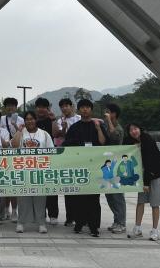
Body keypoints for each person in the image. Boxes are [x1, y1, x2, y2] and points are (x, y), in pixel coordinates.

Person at [63, 99, 108, 237]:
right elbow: (67, 145)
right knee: (79, 197)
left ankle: (94, 226)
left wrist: (99, 128)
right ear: (79, 110)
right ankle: (79, 223)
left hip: (95, 167)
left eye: (87, 107)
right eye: (82, 108)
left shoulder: (98, 125)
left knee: (94, 198)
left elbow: (103, 142)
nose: (85, 110)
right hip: (80, 167)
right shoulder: (75, 127)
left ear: (91, 109)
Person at [11, 111, 54, 233]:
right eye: (27, 119)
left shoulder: (44, 134)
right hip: (23, 170)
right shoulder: (21, 133)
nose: (29, 121)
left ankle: (41, 223)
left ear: (36, 120)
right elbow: (13, 145)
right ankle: (21, 222)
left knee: (40, 198)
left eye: (32, 119)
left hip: (40, 171)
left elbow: (51, 151)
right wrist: (19, 131)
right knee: (23, 198)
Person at [124, 123, 160, 241]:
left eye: (135, 129)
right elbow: (123, 147)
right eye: (131, 130)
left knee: (155, 203)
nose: (134, 131)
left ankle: (155, 231)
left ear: (140, 129)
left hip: (155, 174)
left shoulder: (147, 139)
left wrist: (147, 183)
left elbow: (150, 162)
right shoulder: (133, 141)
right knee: (141, 202)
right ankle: (137, 229)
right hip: (143, 176)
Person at [52, 98, 81, 226]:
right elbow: (58, 135)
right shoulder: (60, 120)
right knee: (68, 188)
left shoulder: (79, 118)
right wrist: (63, 129)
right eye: (62, 106)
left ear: (71, 106)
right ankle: (70, 217)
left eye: (66, 106)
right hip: (65, 157)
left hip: (79, 156)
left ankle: (82, 217)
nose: (64, 108)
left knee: (80, 189)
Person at [103, 103, 127, 234]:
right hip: (107, 165)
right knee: (109, 195)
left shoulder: (118, 128)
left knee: (117, 195)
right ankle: (116, 220)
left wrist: (108, 122)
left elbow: (114, 136)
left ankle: (121, 222)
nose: (106, 114)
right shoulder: (106, 126)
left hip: (116, 165)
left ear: (114, 114)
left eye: (108, 112)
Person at [35, 97, 59, 225]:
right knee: (38, 188)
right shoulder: (32, 122)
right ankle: (40, 215)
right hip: (35, 161)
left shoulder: (52, 121)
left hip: (50, 159)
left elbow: (56, 134)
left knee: (51, 186)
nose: (41, 109)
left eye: (44, 107)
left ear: (47, 108)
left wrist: (53, 119)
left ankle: (53, 214)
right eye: (39, 107)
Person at [0, 97, 23, 221]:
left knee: (13, 184)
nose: (10, 107)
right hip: (2, 155)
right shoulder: (0, 119)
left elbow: (21, 137)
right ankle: (5, 210)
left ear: (16, 107)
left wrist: (15, 126)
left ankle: (14, 211)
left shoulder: (21, 120)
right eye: (8, 105)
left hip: (15, 155)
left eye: (12, 105)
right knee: (4, 183)